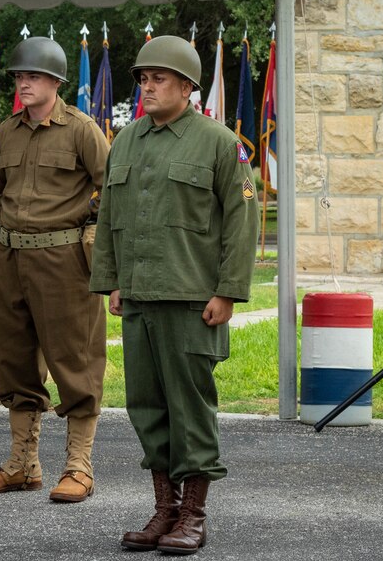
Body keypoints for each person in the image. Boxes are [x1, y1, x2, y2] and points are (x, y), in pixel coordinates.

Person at [90, 35, 259, 553]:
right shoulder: (127, 140)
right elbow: (110, 217)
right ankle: (164, 509)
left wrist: (229, 291)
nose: (148, 87)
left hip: (192, 300)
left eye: (159, 78)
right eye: (143, 79)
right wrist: (113, 281)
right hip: (139, 297)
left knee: (190, 409)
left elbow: (243, 217)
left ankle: (194, 514)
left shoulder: (217, 141)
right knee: (146, 407)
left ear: (187, 86)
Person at [0, 37, 109, 503]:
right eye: (19, 77)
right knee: (13, 359)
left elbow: (112, 189)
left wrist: (88, 234)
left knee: (75, 361)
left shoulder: (81, 129)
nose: (23, 83)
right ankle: (22, 464)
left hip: (64, 262)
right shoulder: (6, 131)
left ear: (55, 82)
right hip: (10, 258)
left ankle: (79, 467)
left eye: (32, 76)